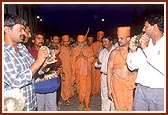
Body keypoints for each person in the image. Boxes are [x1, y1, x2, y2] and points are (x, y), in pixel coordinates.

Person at [4, 13, 49, 111]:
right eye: (20, 29)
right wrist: (38, 62)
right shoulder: (3, 52)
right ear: (7, 30)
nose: (24, 34)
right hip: (17, 109)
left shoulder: (22, 48)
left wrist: (44, 64)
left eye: (24, 30)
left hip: (31, 104)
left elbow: (34, 69)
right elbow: (16, 81)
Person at [126, 14, 165, 111]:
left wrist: (146, 48)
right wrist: (133, 51)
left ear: (155, 27)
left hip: (160, 91)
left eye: (146, 26)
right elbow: (132, 66)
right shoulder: (145, 43)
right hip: (140, 90)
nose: (143, 29)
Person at [107, 26, 137, 111]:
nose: (119, 40)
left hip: (131, 86)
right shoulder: (114, 52)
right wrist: (109, 88)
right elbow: (109, 70)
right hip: (118, 85)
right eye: (118, 38)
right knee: (120, 108)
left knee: (131, 108)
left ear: (128, 39)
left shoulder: (135, 51)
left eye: (121, 38)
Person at [29, 32, 59, 111]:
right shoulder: (29, 52)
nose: (41, 40)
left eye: (42, 39)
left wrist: (54, 61)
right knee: (40, 107)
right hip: (38, 85)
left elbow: (59, 62)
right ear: (33, 40)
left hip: (50, 83)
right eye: (38, 38)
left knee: (51, 107)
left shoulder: (48, 50)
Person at [71, 35, 94, 111]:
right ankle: (81, 102)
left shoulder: (88, 49)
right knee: (79, 89)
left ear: (84, 42)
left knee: (87, 88)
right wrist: (78, 57)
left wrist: (84, 57)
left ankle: (86, 103)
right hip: (79, 73)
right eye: (79, 42)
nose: (81, 44)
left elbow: (92, 59)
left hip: (87, 73)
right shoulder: (74, 50)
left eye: (82, 42)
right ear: (77, 42)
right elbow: (72, 61)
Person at [95, 36, 116, 111]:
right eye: (103, 42)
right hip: (104, 76)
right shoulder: (102, 52)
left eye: (106, 41)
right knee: (104, 95)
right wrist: (98, 62)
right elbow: (97, 65)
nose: (104, 44)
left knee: (114, 95)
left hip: (114, 77)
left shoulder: (116, 51)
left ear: (111, 42)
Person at [59, 35, 74, 106]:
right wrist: (61, 70)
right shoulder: (60, 49)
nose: (66, 43)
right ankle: (66, 98)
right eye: (65, 42)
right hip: (64, 69)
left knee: (70, 83)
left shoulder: (71, 48)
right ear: (62, 42)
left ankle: (69, 95)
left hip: (70, 69)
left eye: (67, 41)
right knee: (65, 84)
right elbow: (59, 60)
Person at [90, 31, 104, 95]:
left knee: (100, 77)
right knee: (93, 77)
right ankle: (93, 90)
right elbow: (90, 54)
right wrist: (96, 54)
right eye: (98, 37)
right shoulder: (93, 45)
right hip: (94, 62)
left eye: (101, 37)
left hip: (102, 63)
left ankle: (99, 90)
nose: (99, 38)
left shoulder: (105, 44)